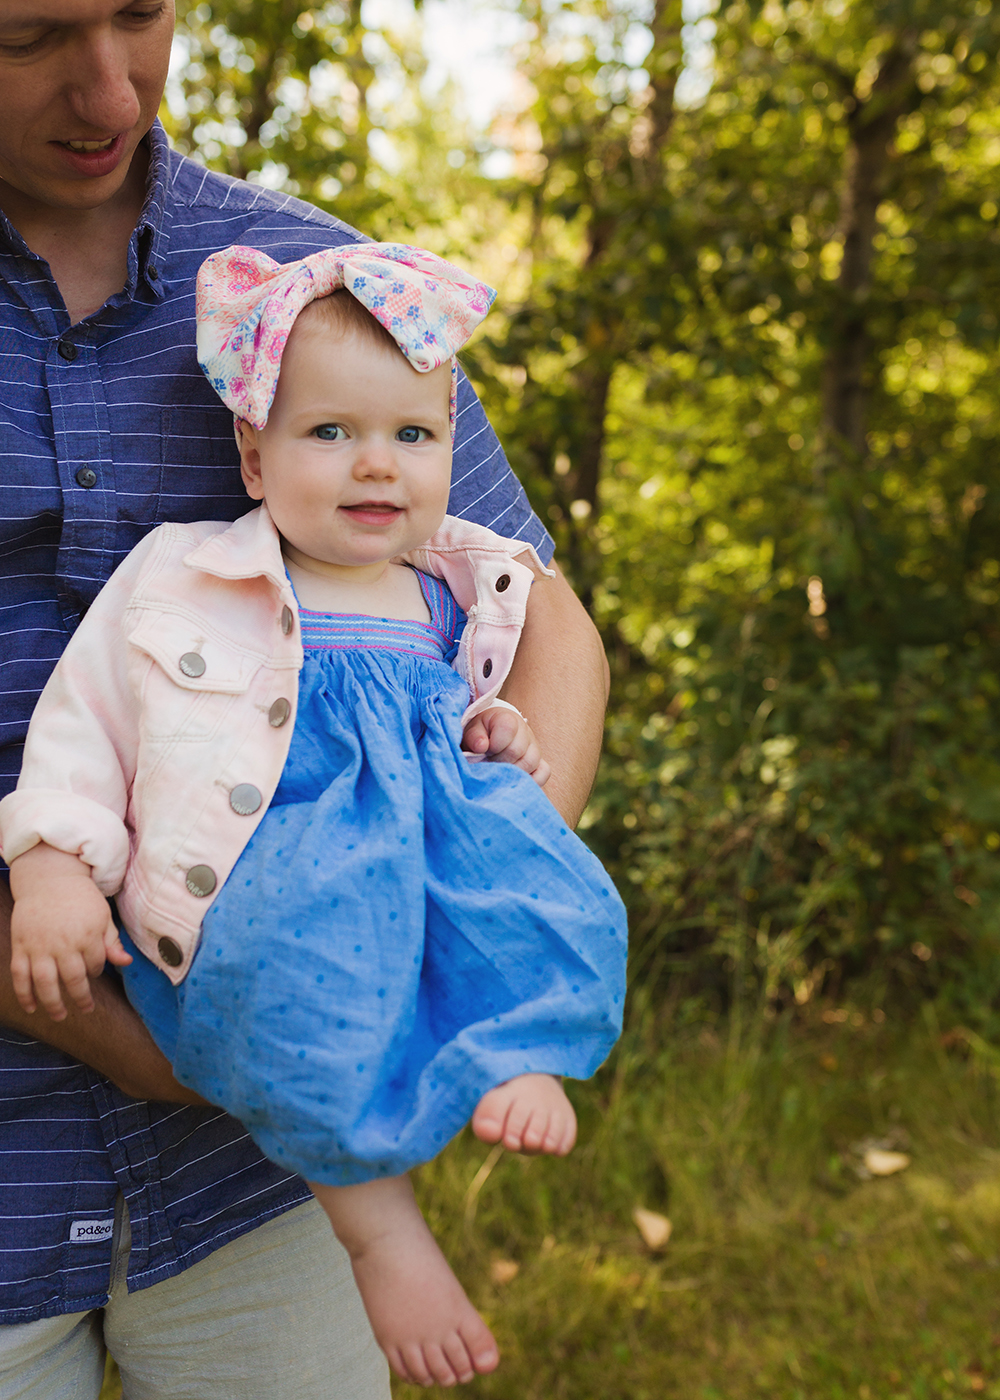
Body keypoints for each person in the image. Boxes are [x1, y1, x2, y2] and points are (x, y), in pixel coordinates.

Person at [0, 1, 610, 1396]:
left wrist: (453, 912)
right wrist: (49, 885)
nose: (109, 86)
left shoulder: (322, 284)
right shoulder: (183, 576)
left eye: (141, 15)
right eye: (30, 35)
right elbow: (84, 724)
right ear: (254, 445)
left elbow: (530, 615)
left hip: (255, 1183)